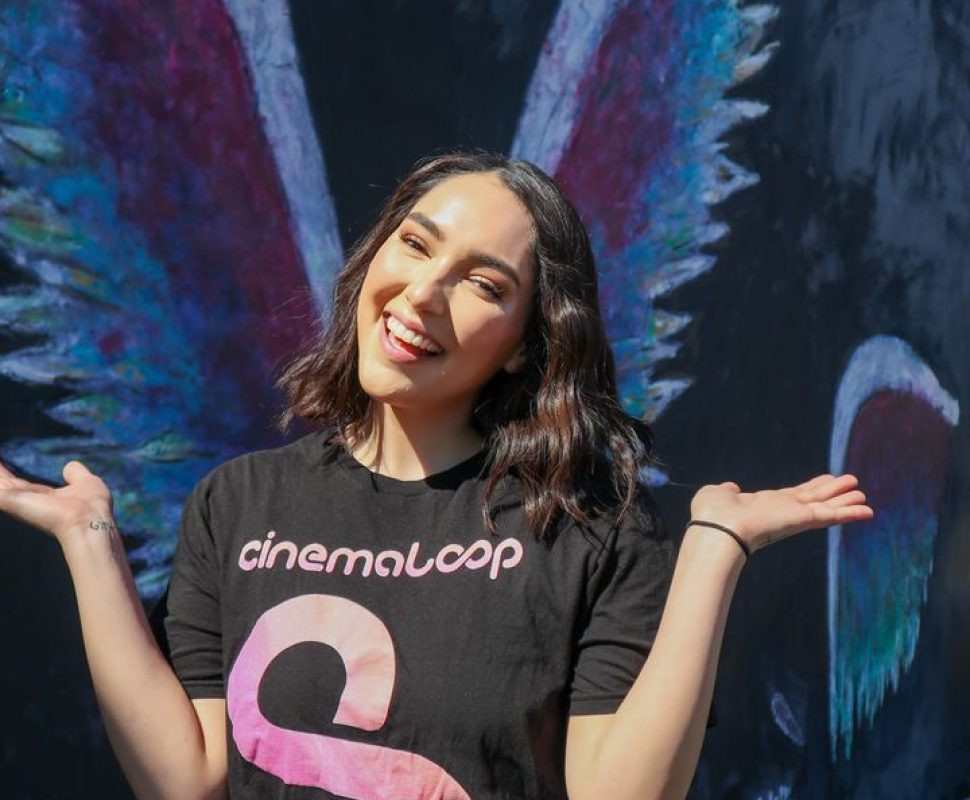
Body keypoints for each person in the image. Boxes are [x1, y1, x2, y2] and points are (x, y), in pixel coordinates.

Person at [0, 149, 873, 800]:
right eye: (415, 245)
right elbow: (185, 779)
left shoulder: (589, 529)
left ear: (528, 343)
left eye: (481, 284)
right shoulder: (236, 503)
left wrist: (713, 550)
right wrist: (88, 539)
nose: (422, 294)